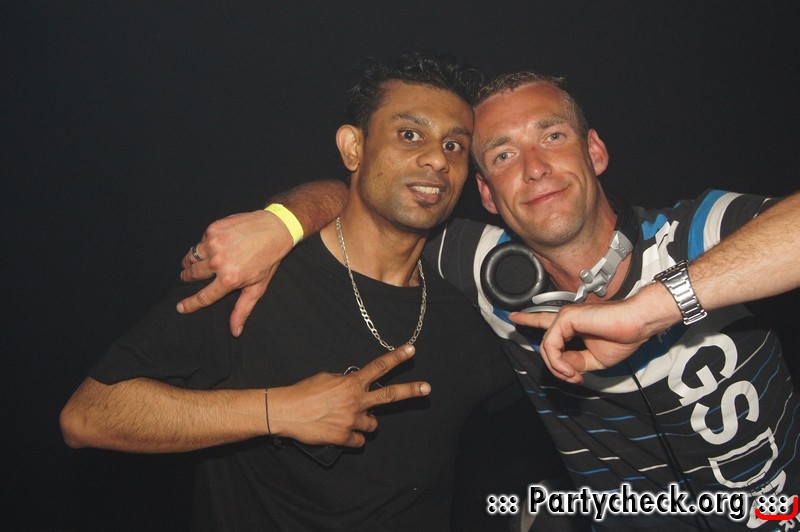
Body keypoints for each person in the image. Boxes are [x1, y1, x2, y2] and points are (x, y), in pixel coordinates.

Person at [178, 70, 800, 530]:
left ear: (595, 151)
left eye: (552, 135)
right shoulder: (488, 270)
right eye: (503, 154)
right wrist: (282, 222)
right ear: (485, 193)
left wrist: (655, 306)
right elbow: (374, 194)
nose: (534, 166)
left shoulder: (697, 235)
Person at [60, 52, 525, 530]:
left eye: (454, 145)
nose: (437, 159)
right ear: (353, 148)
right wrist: (279, 410)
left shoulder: (468, 315)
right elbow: (89, 415)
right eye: (410, 134)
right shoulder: (257, 281)